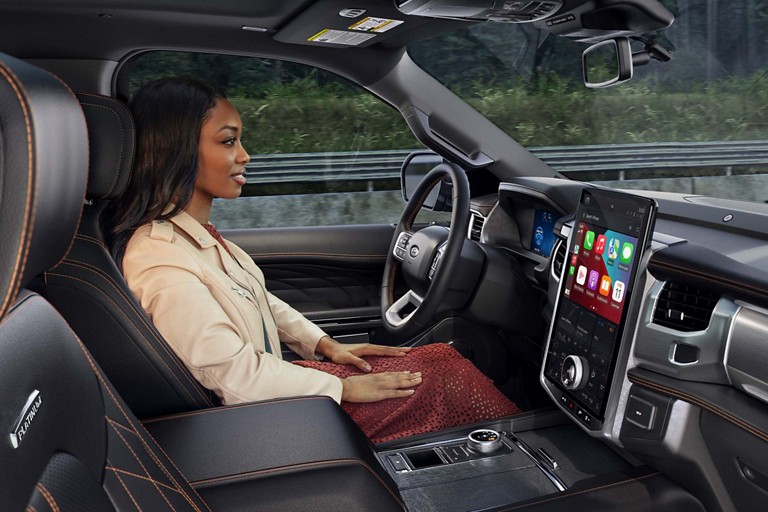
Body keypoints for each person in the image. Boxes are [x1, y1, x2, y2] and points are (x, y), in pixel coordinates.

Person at [108, 77, 521, 442]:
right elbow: (233, 377)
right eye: (228, 141)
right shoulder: (158, 259)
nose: (245, 156)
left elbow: (261, 300)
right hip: (265, 422)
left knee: (442, 358)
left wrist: (325, 345)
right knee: (447, 379)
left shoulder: (194, 238)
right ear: (177, 150)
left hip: (275, 396)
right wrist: (341, 388)